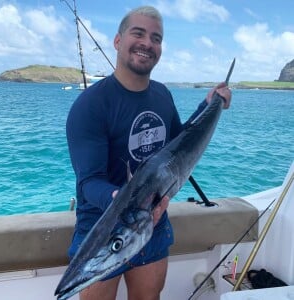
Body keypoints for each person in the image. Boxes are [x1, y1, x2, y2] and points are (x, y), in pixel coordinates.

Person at [66, 5, 232, 300]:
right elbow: (89, 182)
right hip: (103, 230)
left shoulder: (162, 94)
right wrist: (122, 201)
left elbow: (178, 145)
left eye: (156, 38)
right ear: (118, 41)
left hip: (153, 222)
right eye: (138, 34)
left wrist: (209, 106)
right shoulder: (90, 105)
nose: (147, 43)